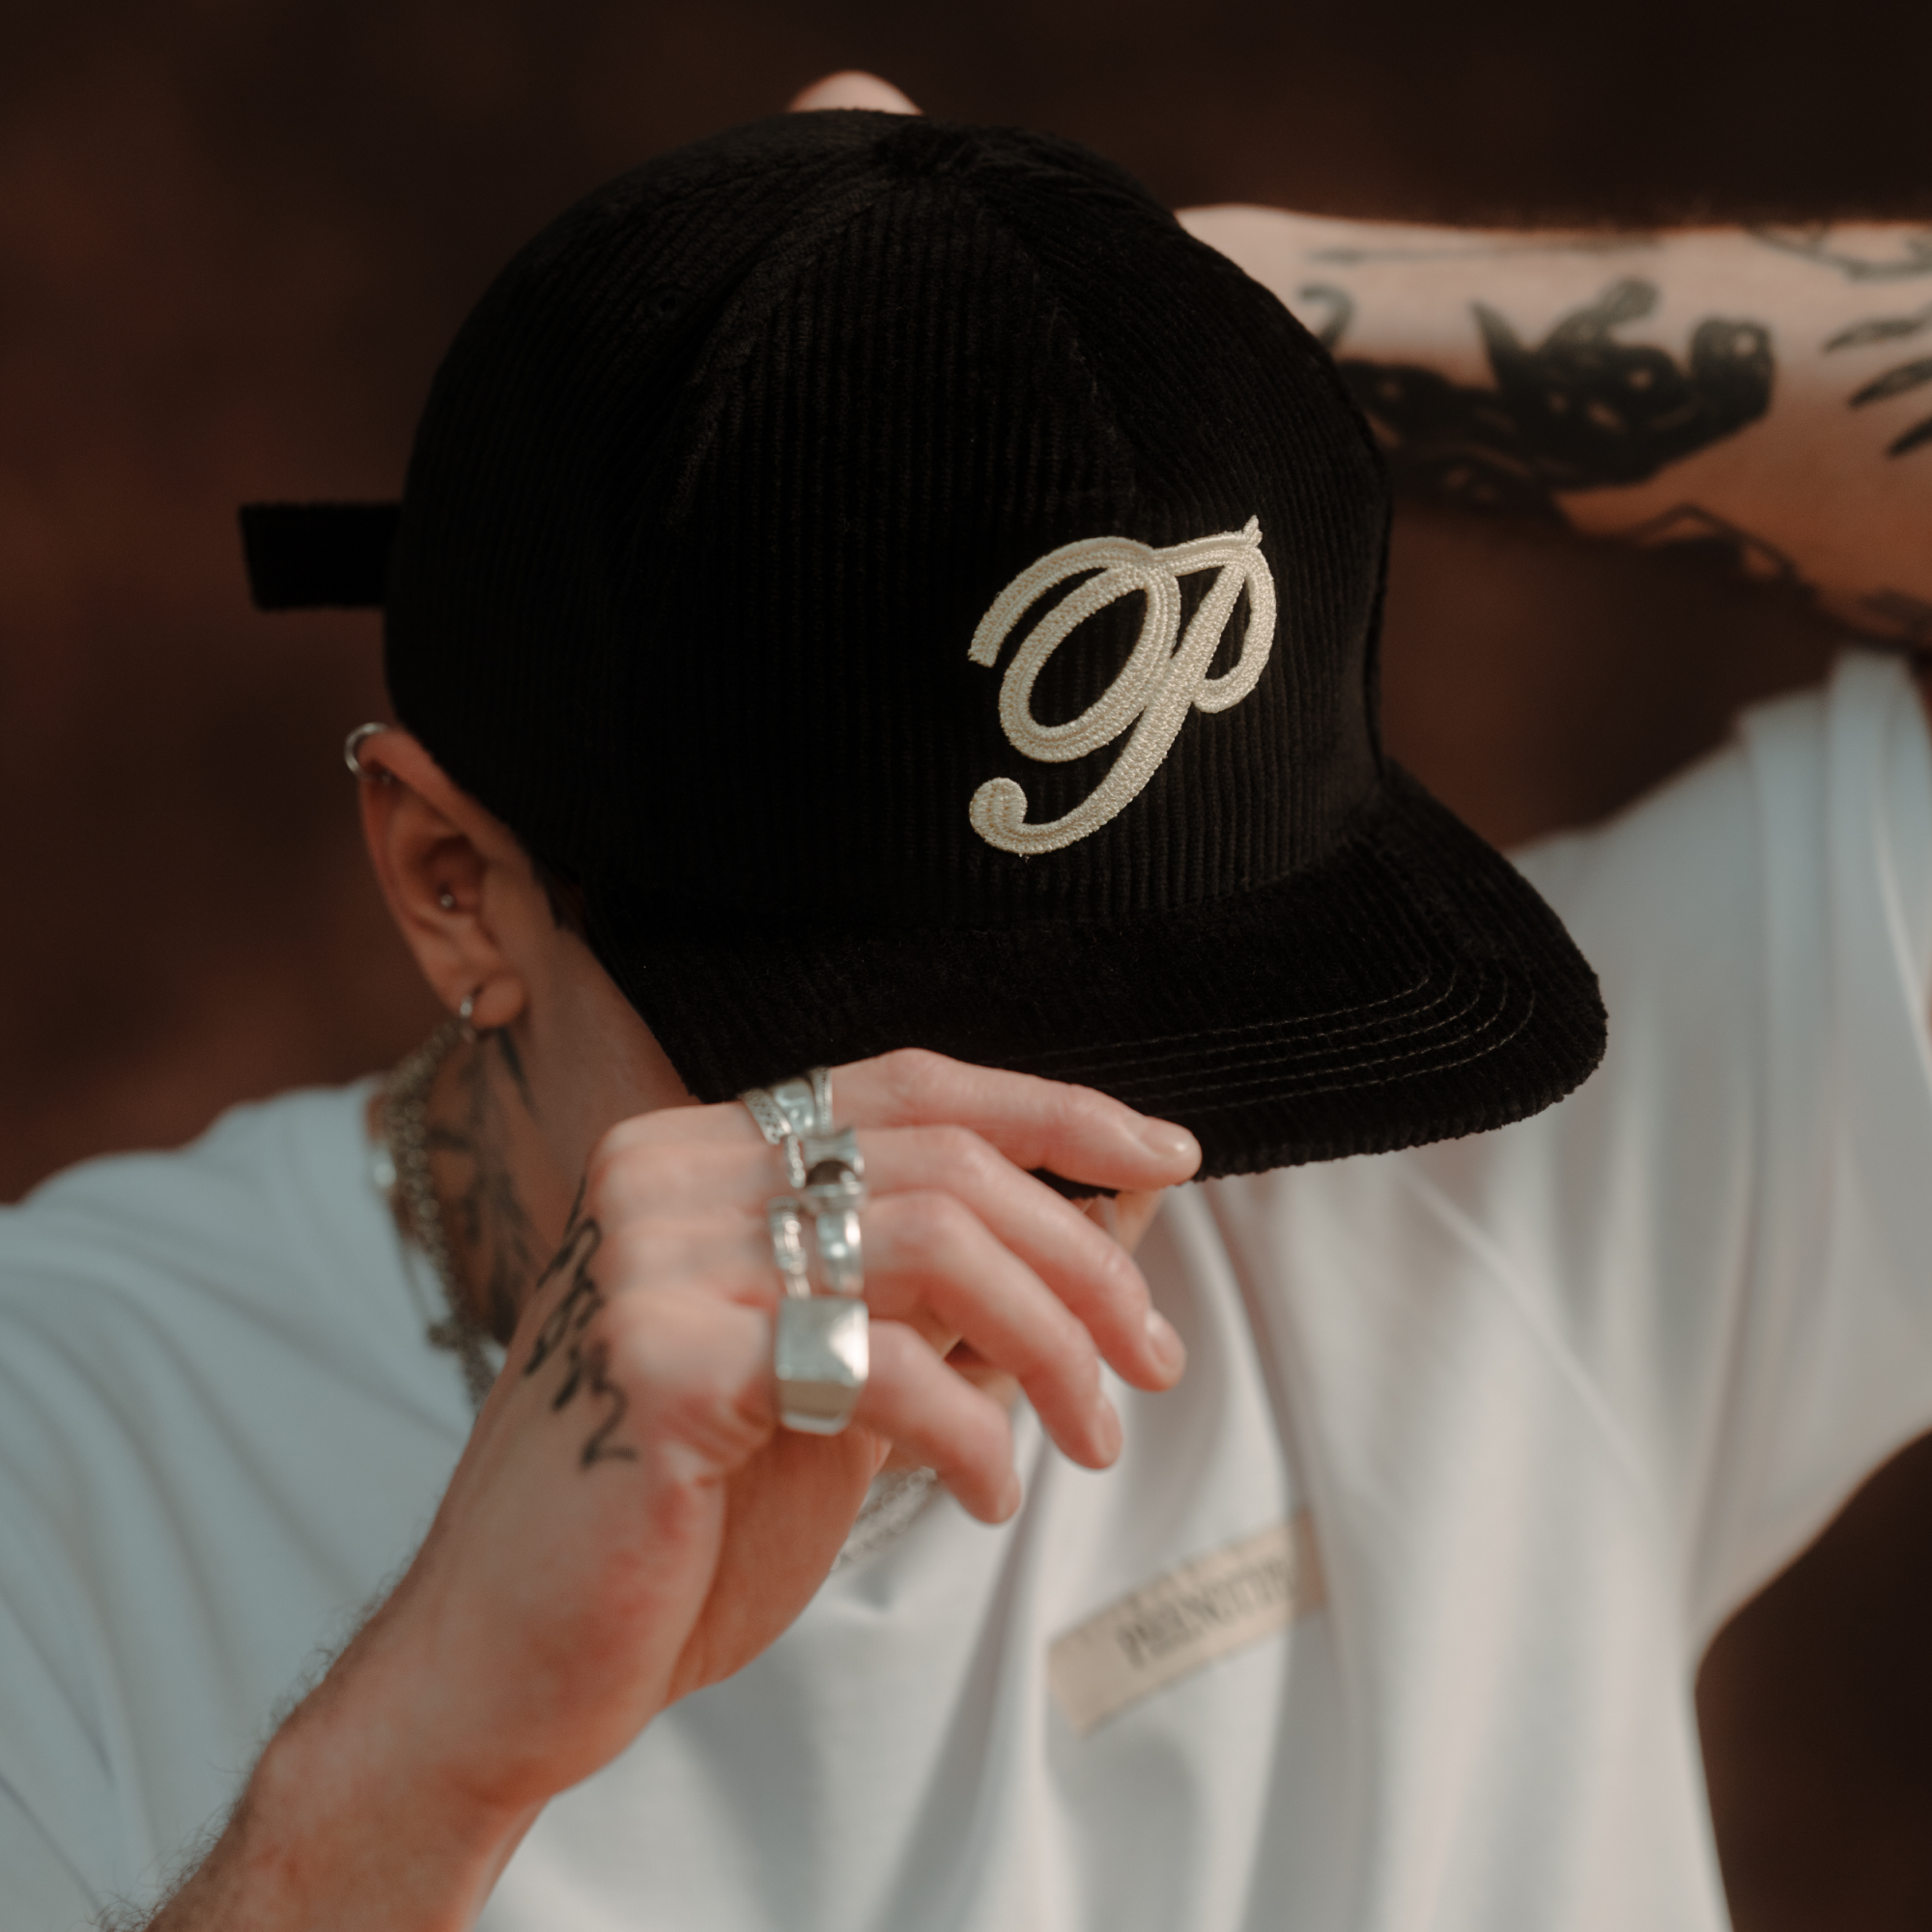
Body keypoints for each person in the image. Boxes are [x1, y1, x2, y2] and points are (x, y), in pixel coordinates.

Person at [2, 69, 1929, 1932]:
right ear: (453, 884)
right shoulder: (61, 1447)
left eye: (1211, 1024)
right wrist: (416, 1770)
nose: (1041, 1171)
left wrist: (1199, 323)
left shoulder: (1486, 1202)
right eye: (878, 1041)